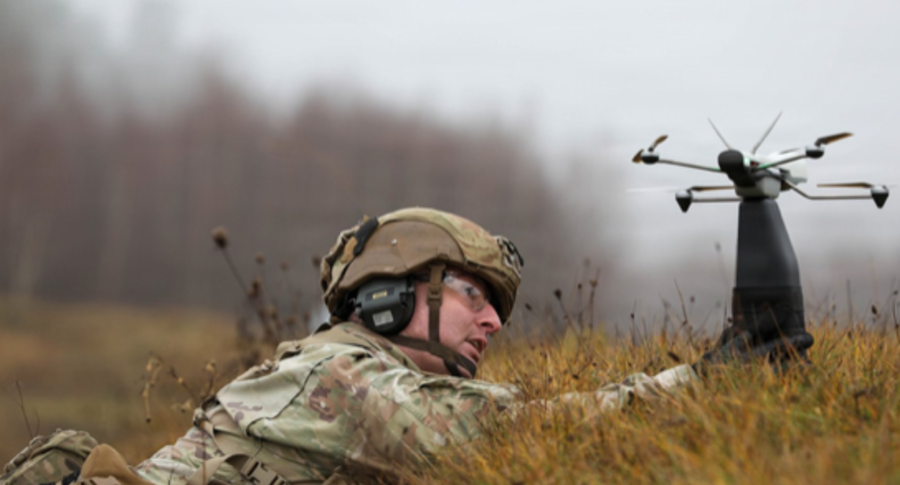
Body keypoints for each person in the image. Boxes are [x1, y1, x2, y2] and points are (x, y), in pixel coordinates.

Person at [106, 208, 810, 485]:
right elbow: (503, 438)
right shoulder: (337, 374)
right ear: (390, 295)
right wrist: (702, 381)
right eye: (474, 295)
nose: (494, 323)